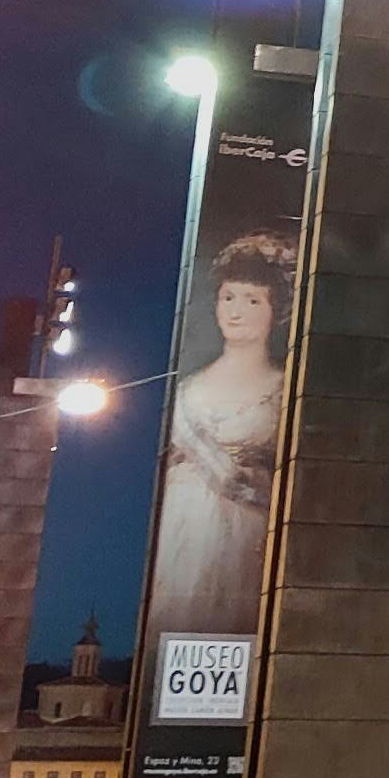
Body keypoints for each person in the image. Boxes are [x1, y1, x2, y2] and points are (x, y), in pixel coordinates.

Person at [145, 232, 295, 638]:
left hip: (243, 546)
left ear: (274, 310)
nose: (236, 311)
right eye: (228, 297)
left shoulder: (285, 390)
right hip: (181, 542)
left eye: (252, 300)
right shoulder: (187, 388)